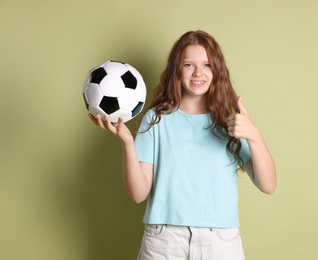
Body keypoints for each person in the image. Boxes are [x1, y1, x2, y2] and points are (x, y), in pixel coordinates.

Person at [88, 30, 276, 260]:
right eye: (188, 64)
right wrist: (128, 143)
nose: (198, 72)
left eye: (207, 65)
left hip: (220, 242)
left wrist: (254, 134)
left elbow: (268, 185)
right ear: (177, 69)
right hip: (164, 242)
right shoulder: (156, 118)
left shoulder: (231, 120)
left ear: (217, 71)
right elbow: (138, 194)